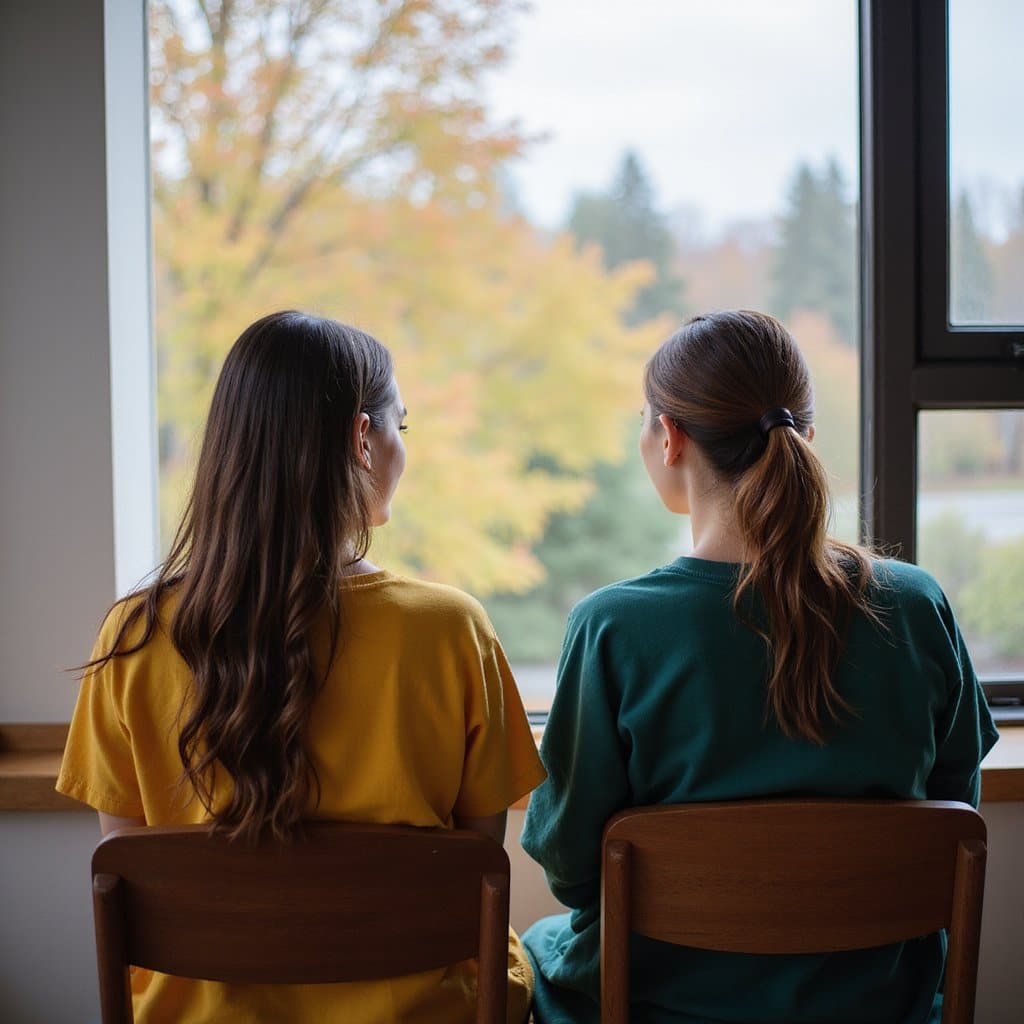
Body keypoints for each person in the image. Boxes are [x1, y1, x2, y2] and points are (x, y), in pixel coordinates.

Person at [57, 310, 546, 1023]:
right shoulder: (450, 632)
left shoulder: (133, 635)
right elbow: (476, 868)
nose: (400, 450)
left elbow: (131, 871)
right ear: (360, 438)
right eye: (397, 428)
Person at [520, 310, 999, 1024]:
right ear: (804, 435)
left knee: (533, 951)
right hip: (878, 1004)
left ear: (670, 437)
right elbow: (953, 807)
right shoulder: (915, 604)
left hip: (664, 1005)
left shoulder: (615, 628)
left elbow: (570, 867)